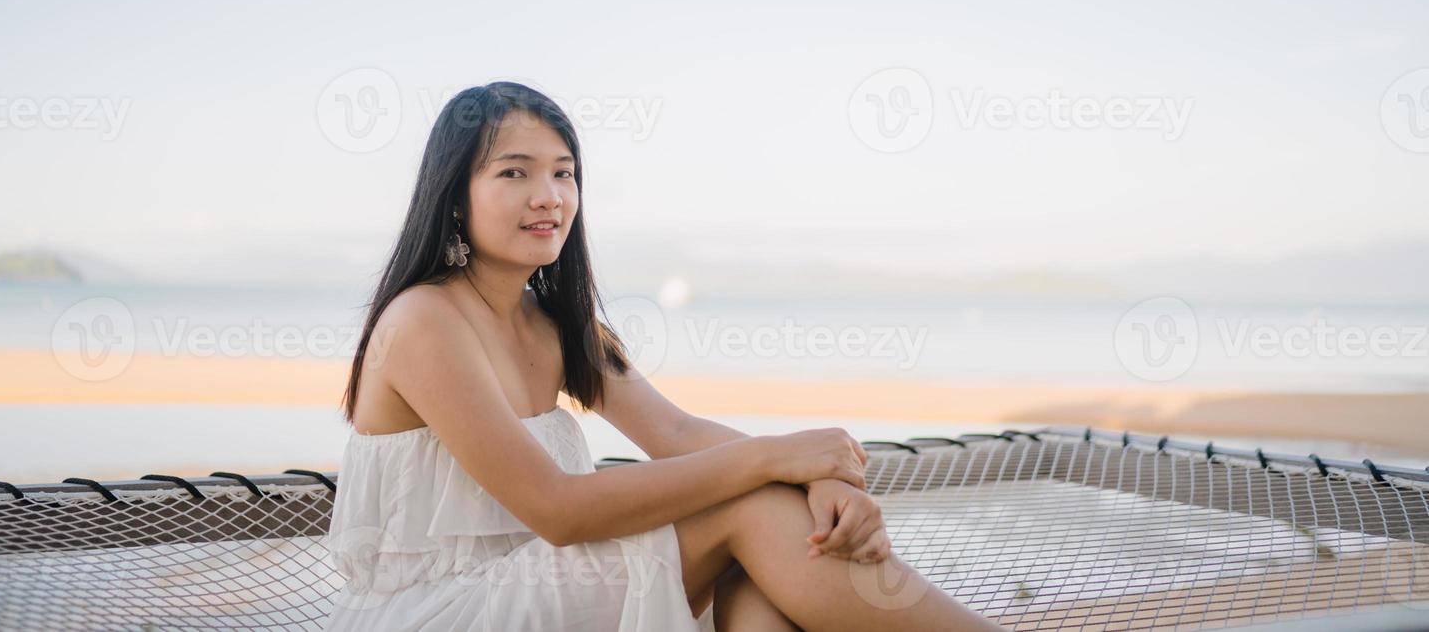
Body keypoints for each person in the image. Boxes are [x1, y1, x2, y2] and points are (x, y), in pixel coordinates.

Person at [325, 81, 1003, 631]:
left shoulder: (561, 325)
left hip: (535, 587)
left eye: (564, 172)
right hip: (440, 613)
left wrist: (822, 477)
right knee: (752, 510)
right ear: (453, 198)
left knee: (763, 568)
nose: (549, 196)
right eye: (514, 172)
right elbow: (560, 509)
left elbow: (675, 433)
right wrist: (777, 458)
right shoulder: (423, 322)